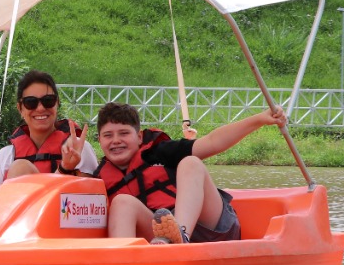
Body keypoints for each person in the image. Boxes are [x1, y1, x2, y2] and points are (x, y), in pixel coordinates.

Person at [91, 101, 286, 245]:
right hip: (160, 240)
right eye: (108, 135)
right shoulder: (98, 177)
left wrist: (259, 119)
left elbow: (212, 142)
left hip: (210, 227)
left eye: (124, 133)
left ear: (140, 137)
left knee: (191, 163)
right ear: (99, 140)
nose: (116, 140)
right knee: (121, 202)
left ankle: (180, 234)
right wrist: (67, 166)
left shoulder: (159, 151)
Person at [0, 70, 97, 242]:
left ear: (57, 104)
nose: (40, 108)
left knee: (21, 167)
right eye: (31, 103)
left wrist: (67, 168)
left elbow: (92, 204)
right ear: (20, 108)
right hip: (8, 227)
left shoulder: (79, 149)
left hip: (59, 227)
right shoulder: (5, 156)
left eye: (48, 101)